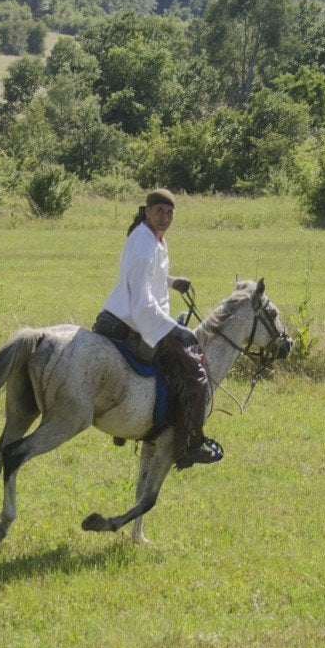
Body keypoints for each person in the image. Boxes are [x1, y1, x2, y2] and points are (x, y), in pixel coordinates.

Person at [92, 187, 222, 468]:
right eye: (159, 211)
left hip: (135, 316)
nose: (164, 217)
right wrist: (176, 330)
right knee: (195, 373)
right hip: (133, 321)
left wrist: (172, 282)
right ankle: (190, 444)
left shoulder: (154, 239)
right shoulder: (144, 244)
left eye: (169, 212)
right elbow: (142, 302)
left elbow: (149, 278)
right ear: (147, 212)